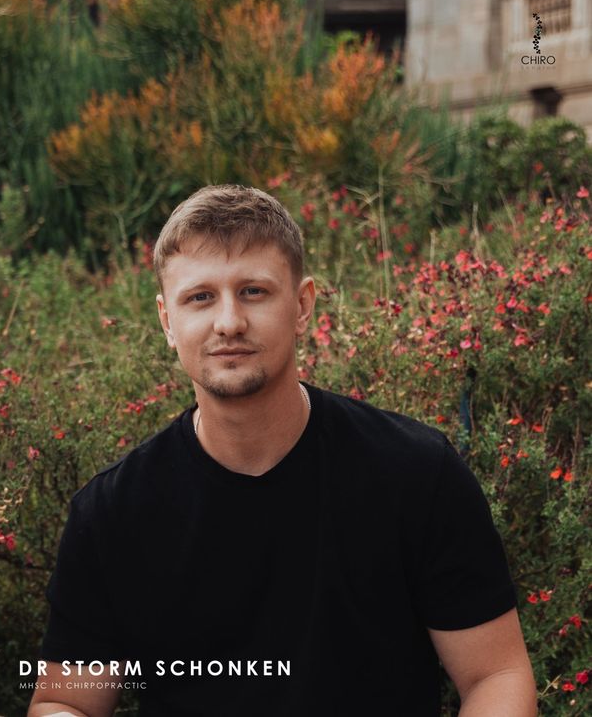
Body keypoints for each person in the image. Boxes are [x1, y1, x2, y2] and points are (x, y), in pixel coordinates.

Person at [28, 185, 537, 717]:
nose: (229, 322)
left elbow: (494, 676)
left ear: (302, 304)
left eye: (253, 291)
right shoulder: (112, 513)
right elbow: (68, 702)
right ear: (166, 322)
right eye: (200, 297)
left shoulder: (416, 473)